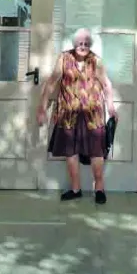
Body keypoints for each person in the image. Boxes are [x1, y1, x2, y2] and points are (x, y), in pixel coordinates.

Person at [37, 28, 118, 204]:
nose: (83, 46)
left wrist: (111, 106)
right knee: (70, 152)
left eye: (86, 44)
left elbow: (106, 85)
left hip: (92, 114)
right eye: (80, 43)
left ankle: (99, 188)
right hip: (68, 113)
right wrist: (42, 107)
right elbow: (51, 83)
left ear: (90, 45)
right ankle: (75, 189)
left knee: (96, 151)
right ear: (74, 44)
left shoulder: (96, 61)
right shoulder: (64, 58)